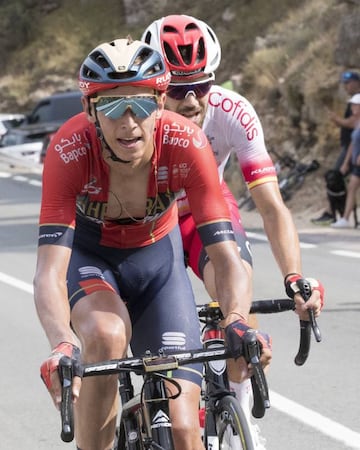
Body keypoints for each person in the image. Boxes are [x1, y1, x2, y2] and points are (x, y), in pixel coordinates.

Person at [34, 37, 275, 450]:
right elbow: (49, 272)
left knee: (184, 431)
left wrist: (236, 318)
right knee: (107, 336)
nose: (129, 122)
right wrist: (62, 341)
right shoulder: (69, 150)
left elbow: (225, 254)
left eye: (142, 105)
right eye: (112, 107)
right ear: (91, 110)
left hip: (158, 262)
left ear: (161, 102)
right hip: (93, 260)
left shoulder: (187, 143)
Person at [141, 14, 324, 446]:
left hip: (203, 211)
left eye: (200, 87)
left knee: (237, 301)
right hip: (146, 221)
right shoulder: (136, 118)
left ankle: (236, 407)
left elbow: (271, 205)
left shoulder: (232, 112)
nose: (190, 101)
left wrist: (293, 276)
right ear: (155, 86)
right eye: (178, 90)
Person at [312, 70, 360, 225]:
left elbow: (352, 123)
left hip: (353, 150)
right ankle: (339, 214)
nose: (346, 86)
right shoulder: (353, 101)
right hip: (351, 147)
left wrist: (336, 119)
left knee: (336, 178)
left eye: (348, 83)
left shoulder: (357, 102)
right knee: (348, 183)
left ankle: (334, 213)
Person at [331, 93, 360, 228]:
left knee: (353, 187)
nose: (353, 107)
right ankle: (345, 219)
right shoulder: (356, 122)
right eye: (352, 105)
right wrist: (346, 162)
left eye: (355, 105)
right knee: (352, 188)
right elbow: (352, 144)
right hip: (356, 164)